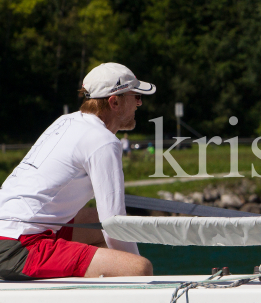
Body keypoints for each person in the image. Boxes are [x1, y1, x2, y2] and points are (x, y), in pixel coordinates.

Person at [0, 63, 156, 280]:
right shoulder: (103, 141)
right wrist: (138, 275)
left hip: (11, 233)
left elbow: (107, 223)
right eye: (136, 96)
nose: (139, 103)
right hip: (18, 247)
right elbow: (115, 224)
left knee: (94, 222)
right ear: (115, 102)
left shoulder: (66, 121)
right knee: (140, 269)